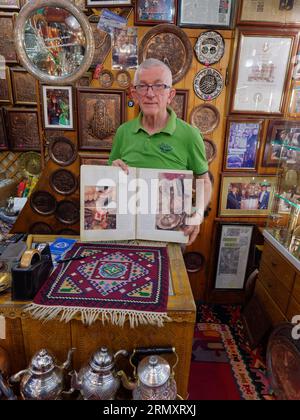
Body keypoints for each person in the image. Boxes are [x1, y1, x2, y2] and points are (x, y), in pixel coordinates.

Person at [108, 58, 212, 245]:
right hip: (127, 233)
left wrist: (198, 215)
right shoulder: (123, 132)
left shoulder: (189, 135)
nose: (150, 94)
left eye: (158, 86)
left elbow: (204, 181)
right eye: (143, 86)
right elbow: (111, 183)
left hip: (170, 233)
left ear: (170, 94)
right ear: (134, 93)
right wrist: (112, 170)